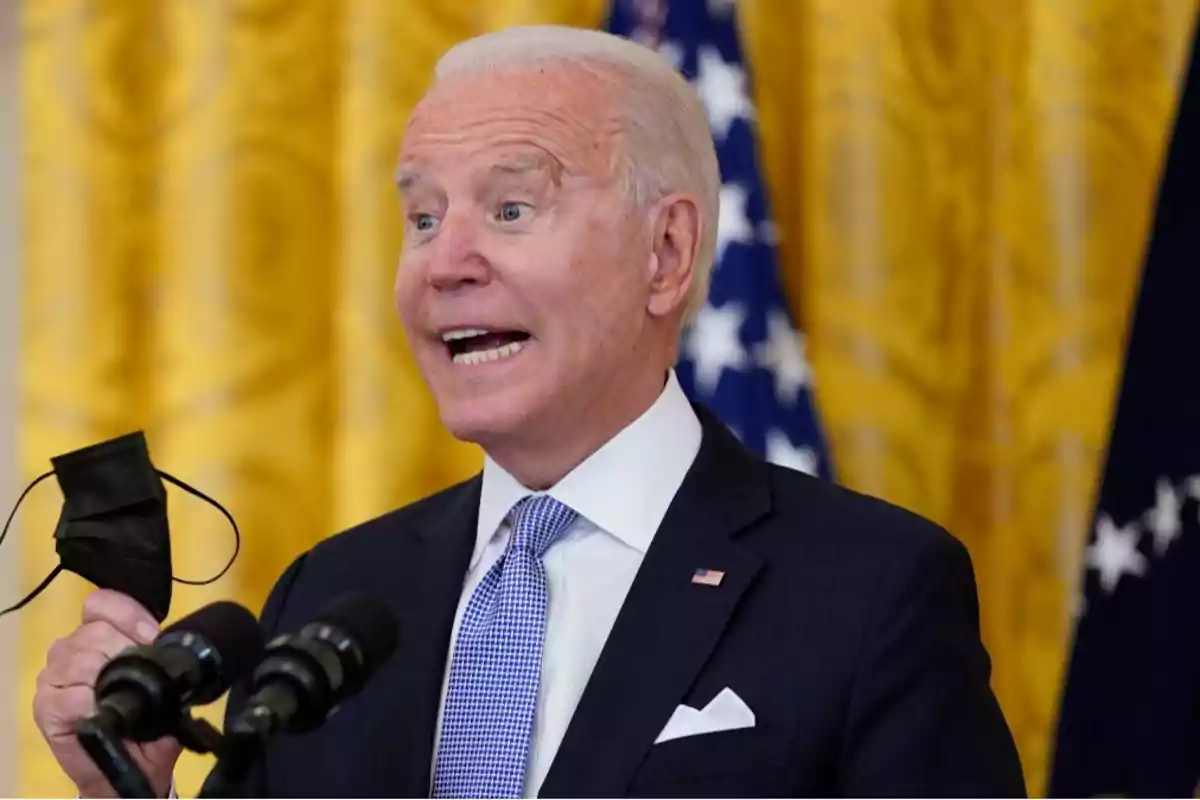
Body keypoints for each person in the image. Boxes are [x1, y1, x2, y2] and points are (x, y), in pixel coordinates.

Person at [33, 24, 1026, 798]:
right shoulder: (329, 597)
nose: (446, 262)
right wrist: (131, 783)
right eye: (422, 217)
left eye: (511, 208)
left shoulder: (870, 592)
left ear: (666, 254)